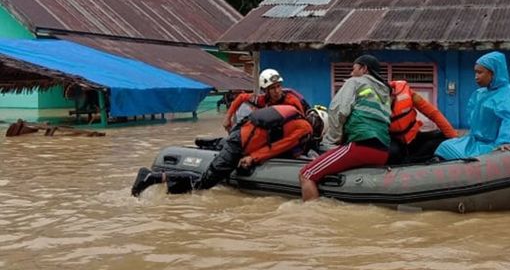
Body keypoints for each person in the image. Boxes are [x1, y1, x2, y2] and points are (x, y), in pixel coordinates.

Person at [131, 105, 316, 197]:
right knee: (205, 182)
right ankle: (152, 177)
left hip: (239, 137)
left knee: (208, 178)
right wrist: (253, 157)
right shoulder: (305, 128)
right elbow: (279, 146)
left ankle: (169, 186)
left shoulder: (293, 113)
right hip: (240, 144)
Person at [299, 55, 391, 202]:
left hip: (361, 147)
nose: (351, 73)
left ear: (364, 68)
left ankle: (311, 220)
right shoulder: (385, 92)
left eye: (353, 69)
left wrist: (330, 142)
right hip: (383, 151)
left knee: (306, 174)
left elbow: (339, 111)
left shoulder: (355, 82)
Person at [434, 51, 510, 160]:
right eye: (475, 73)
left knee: (469, 159)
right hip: (475, 141)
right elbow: (473, 118)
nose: (476, 77)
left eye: (480, 73)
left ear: (493, 73)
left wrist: (506, 141)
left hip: (493, 144)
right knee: (445, 146)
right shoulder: (479, 93)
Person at [388, 80, 458, 164]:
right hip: (393, 141)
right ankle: (411, 159)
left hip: (414, 137)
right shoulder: (373, 102)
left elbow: (432, 113)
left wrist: (454, 139)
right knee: (393, 153)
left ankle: (413, 159)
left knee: (445, 135)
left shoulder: (407, 93)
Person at [222, 69, 309, 131]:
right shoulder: (263, 99)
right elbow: (241, 97)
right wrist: (228, 117)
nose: (277, 91)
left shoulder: (291, 102)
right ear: (265, 91)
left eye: (278, 86)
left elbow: (301, 124)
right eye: (272, 88)